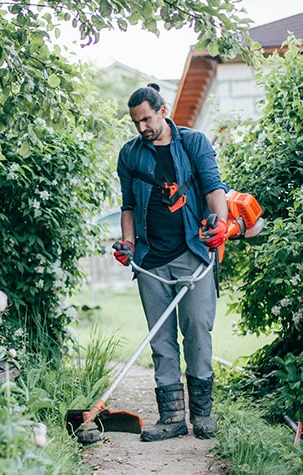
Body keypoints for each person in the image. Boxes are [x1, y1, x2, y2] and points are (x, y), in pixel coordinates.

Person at [113, 83, 229, 442]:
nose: (142, 128)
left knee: (196, 328)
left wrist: (221, 223)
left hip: (192, 252)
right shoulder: (130, 154)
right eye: (136, 122)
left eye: (146, 119)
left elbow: (213, 187)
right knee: (161, 340)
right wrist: (128, 244)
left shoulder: (193, 143)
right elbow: (128, 205)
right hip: (150, 260)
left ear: (163, 111)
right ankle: (172, 418)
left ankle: (203, 415)